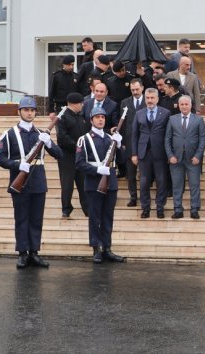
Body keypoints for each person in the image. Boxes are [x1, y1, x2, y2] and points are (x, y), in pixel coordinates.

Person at [0, 96, 62, 269]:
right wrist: (17, 164)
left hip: (38, 180)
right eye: (26, 110)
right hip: (19, 181)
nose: (30, 113)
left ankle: (34, 252)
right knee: (22, 218)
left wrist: (50, 143)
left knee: (36, 219)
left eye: (32, 110)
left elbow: (59, 154)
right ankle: (23, 253)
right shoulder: (9, 134)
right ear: (20, 112)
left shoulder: (41, 133)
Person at [75, 106, 126, 264]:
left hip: (110, 182)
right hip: (93, 182)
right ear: (91, 120)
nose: (100, 120)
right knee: (95, 217)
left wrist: (119, 146)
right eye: (97, 117)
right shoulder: (84, 139)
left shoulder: (110, 138)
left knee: (107, 217)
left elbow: (123, 162)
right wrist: (97, 169)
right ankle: (96, 248)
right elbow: (79, 163)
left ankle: (107, 248)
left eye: (103, 117)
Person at [131, 88, 171, 218]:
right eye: (147, 98)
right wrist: (134, 153)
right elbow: (135, 135)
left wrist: (169, 153)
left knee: (161, 181)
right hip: (144, 153)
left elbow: (168, 134)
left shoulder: (166, 113)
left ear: (157, 99)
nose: (149, 100)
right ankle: (145, 208)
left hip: (160, 153)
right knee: (144, 182)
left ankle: (160, 207)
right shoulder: (139, 113)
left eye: (152, 98)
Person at [165, 96, 205, 219]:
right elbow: (167, 139)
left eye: (186, 104)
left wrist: (198, 155)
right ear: (178, 105)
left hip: (193, 159)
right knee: (177, 185)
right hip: (176, 159)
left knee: (195, 185)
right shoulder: (172, 119)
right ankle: (178, 209)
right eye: (181, 104)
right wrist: (170, 155)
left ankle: (194, 209)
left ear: (190, 105)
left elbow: (202, 139)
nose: (184, 106)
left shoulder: (198, 120)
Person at [56, 92, 89, 218]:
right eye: (81, 104)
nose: (82, 106)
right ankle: (66, 208)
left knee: (83, 183)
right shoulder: (62, 117)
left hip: (80, 157)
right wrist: (77, 146)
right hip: (67, 156)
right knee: (67, 184)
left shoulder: (80, 116)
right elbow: (62, 137)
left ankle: (87, 208)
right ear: (76, 104)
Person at [120, 79, 145, 207]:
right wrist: (123, 141)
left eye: (137, 89)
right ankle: (133, 197)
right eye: (133, 90)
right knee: (131, 174)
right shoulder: (125, 102)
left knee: (145, 174)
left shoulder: (149, 101)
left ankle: (144, 198)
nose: (135, 92)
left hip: (145, 143)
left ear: (142, 88)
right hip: (130, 143)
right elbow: (122, 124)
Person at [48, 54, 79, 119]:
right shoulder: (56, 76)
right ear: (64, 64)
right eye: (69, 65)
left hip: (73, 107)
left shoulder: (76, 76)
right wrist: (51, 110)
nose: (71, 67)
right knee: (60, 127)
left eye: (72, 65)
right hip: (60, 107)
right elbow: (51, 94)